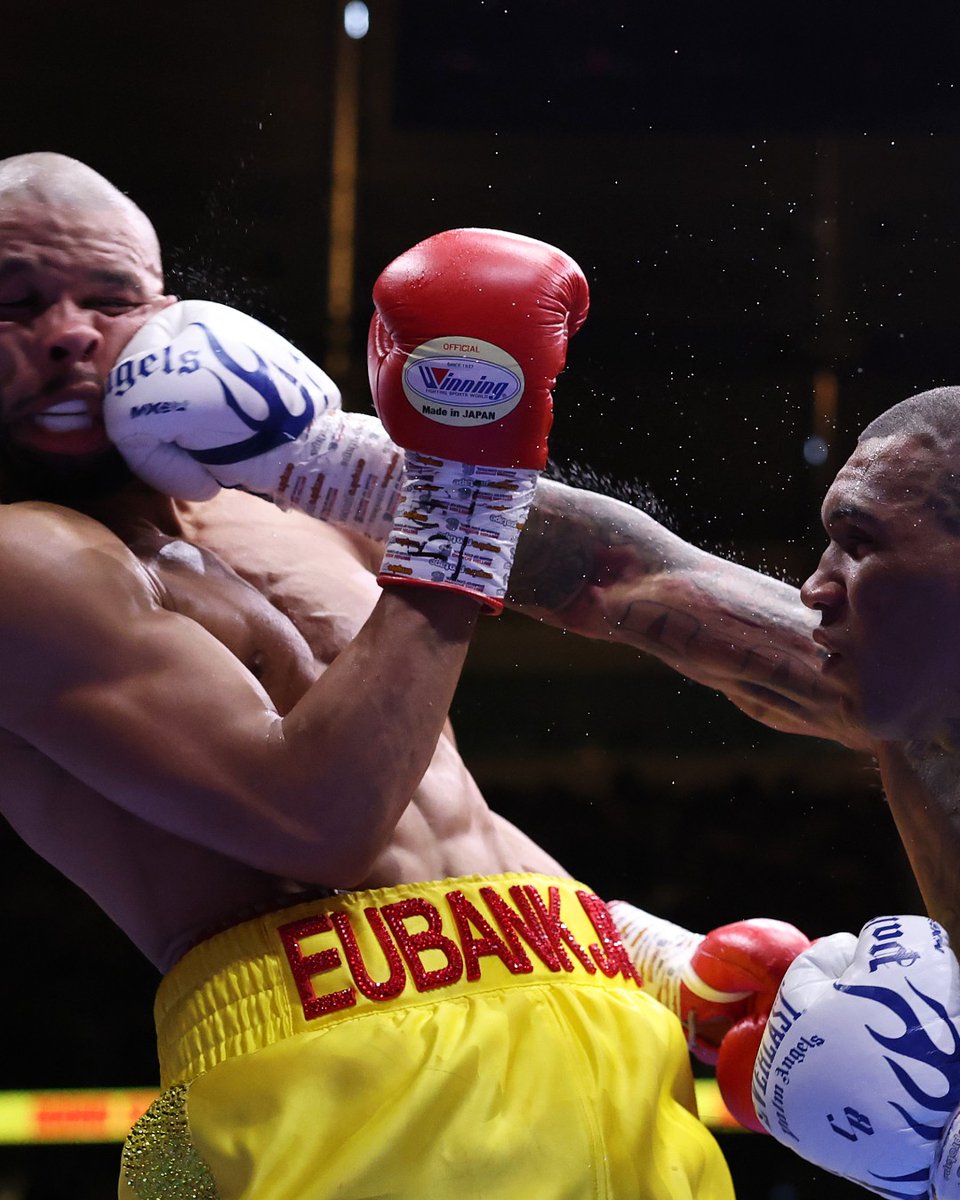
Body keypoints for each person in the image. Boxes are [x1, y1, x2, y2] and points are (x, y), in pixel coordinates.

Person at [0, 150, 947, 1200]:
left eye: (109, 297)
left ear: (167, 309)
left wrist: (656, 958)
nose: (70, 332)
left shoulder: (289, 495)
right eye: (16, 302)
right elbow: (321, 819)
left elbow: (608, 585)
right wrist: (463, 491)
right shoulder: (22, 561)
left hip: (583, 1018)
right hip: (350, 1066)